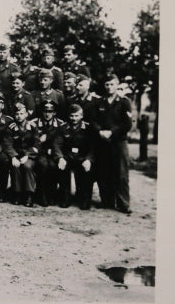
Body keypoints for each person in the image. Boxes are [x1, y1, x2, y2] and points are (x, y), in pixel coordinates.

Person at [91, 74, 133, 214]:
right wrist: (100, 131)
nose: (109, 87)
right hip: (102, 141)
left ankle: (123, 203)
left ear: (117, 85)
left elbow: (127, 124)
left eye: (112, 84)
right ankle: (107, 201)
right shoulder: (99, 102)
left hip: (118, 141)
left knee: (121, 173)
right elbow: (93, 121)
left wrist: (112, 132)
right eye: (107, 85)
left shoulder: (124, 102)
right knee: (104, 171)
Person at [53, 104, 95, 210]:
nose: (74, 118)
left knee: (87, 171)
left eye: (76, 116)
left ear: (81, 116)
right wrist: (60, 158)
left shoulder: (88, 128)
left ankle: (84, 199)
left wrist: (89, 159)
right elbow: (57, 144)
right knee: (62, 168)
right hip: (68, 157)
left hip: (82, 157)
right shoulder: (63, 128)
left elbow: (93, 147)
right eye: (72, 116)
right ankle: (65, 198)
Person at [7, 102, 40, 207]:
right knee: (15, 166)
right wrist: (13, 157)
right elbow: (7, 144)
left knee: (27, 166)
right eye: (17, 114)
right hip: (17, 155)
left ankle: (29, 194)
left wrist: (28, 155)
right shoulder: (11, 127)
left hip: (29, 155)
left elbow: (37, 144)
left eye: (21, 114)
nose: (19, 116)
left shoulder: (33, 127)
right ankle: (16, 193)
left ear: (26, 114)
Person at [34, 100, 65, 207]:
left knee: (53, 166)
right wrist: (39, 140)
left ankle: (51, 194)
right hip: (39, 152)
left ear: (54, 113)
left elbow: (62, 141)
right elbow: (30, 140)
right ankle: (41, 195)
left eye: (50, 111)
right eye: (45, 111)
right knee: (43, 165)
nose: (47, 114)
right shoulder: (34, 123)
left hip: (54, 152)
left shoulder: (60, 124)